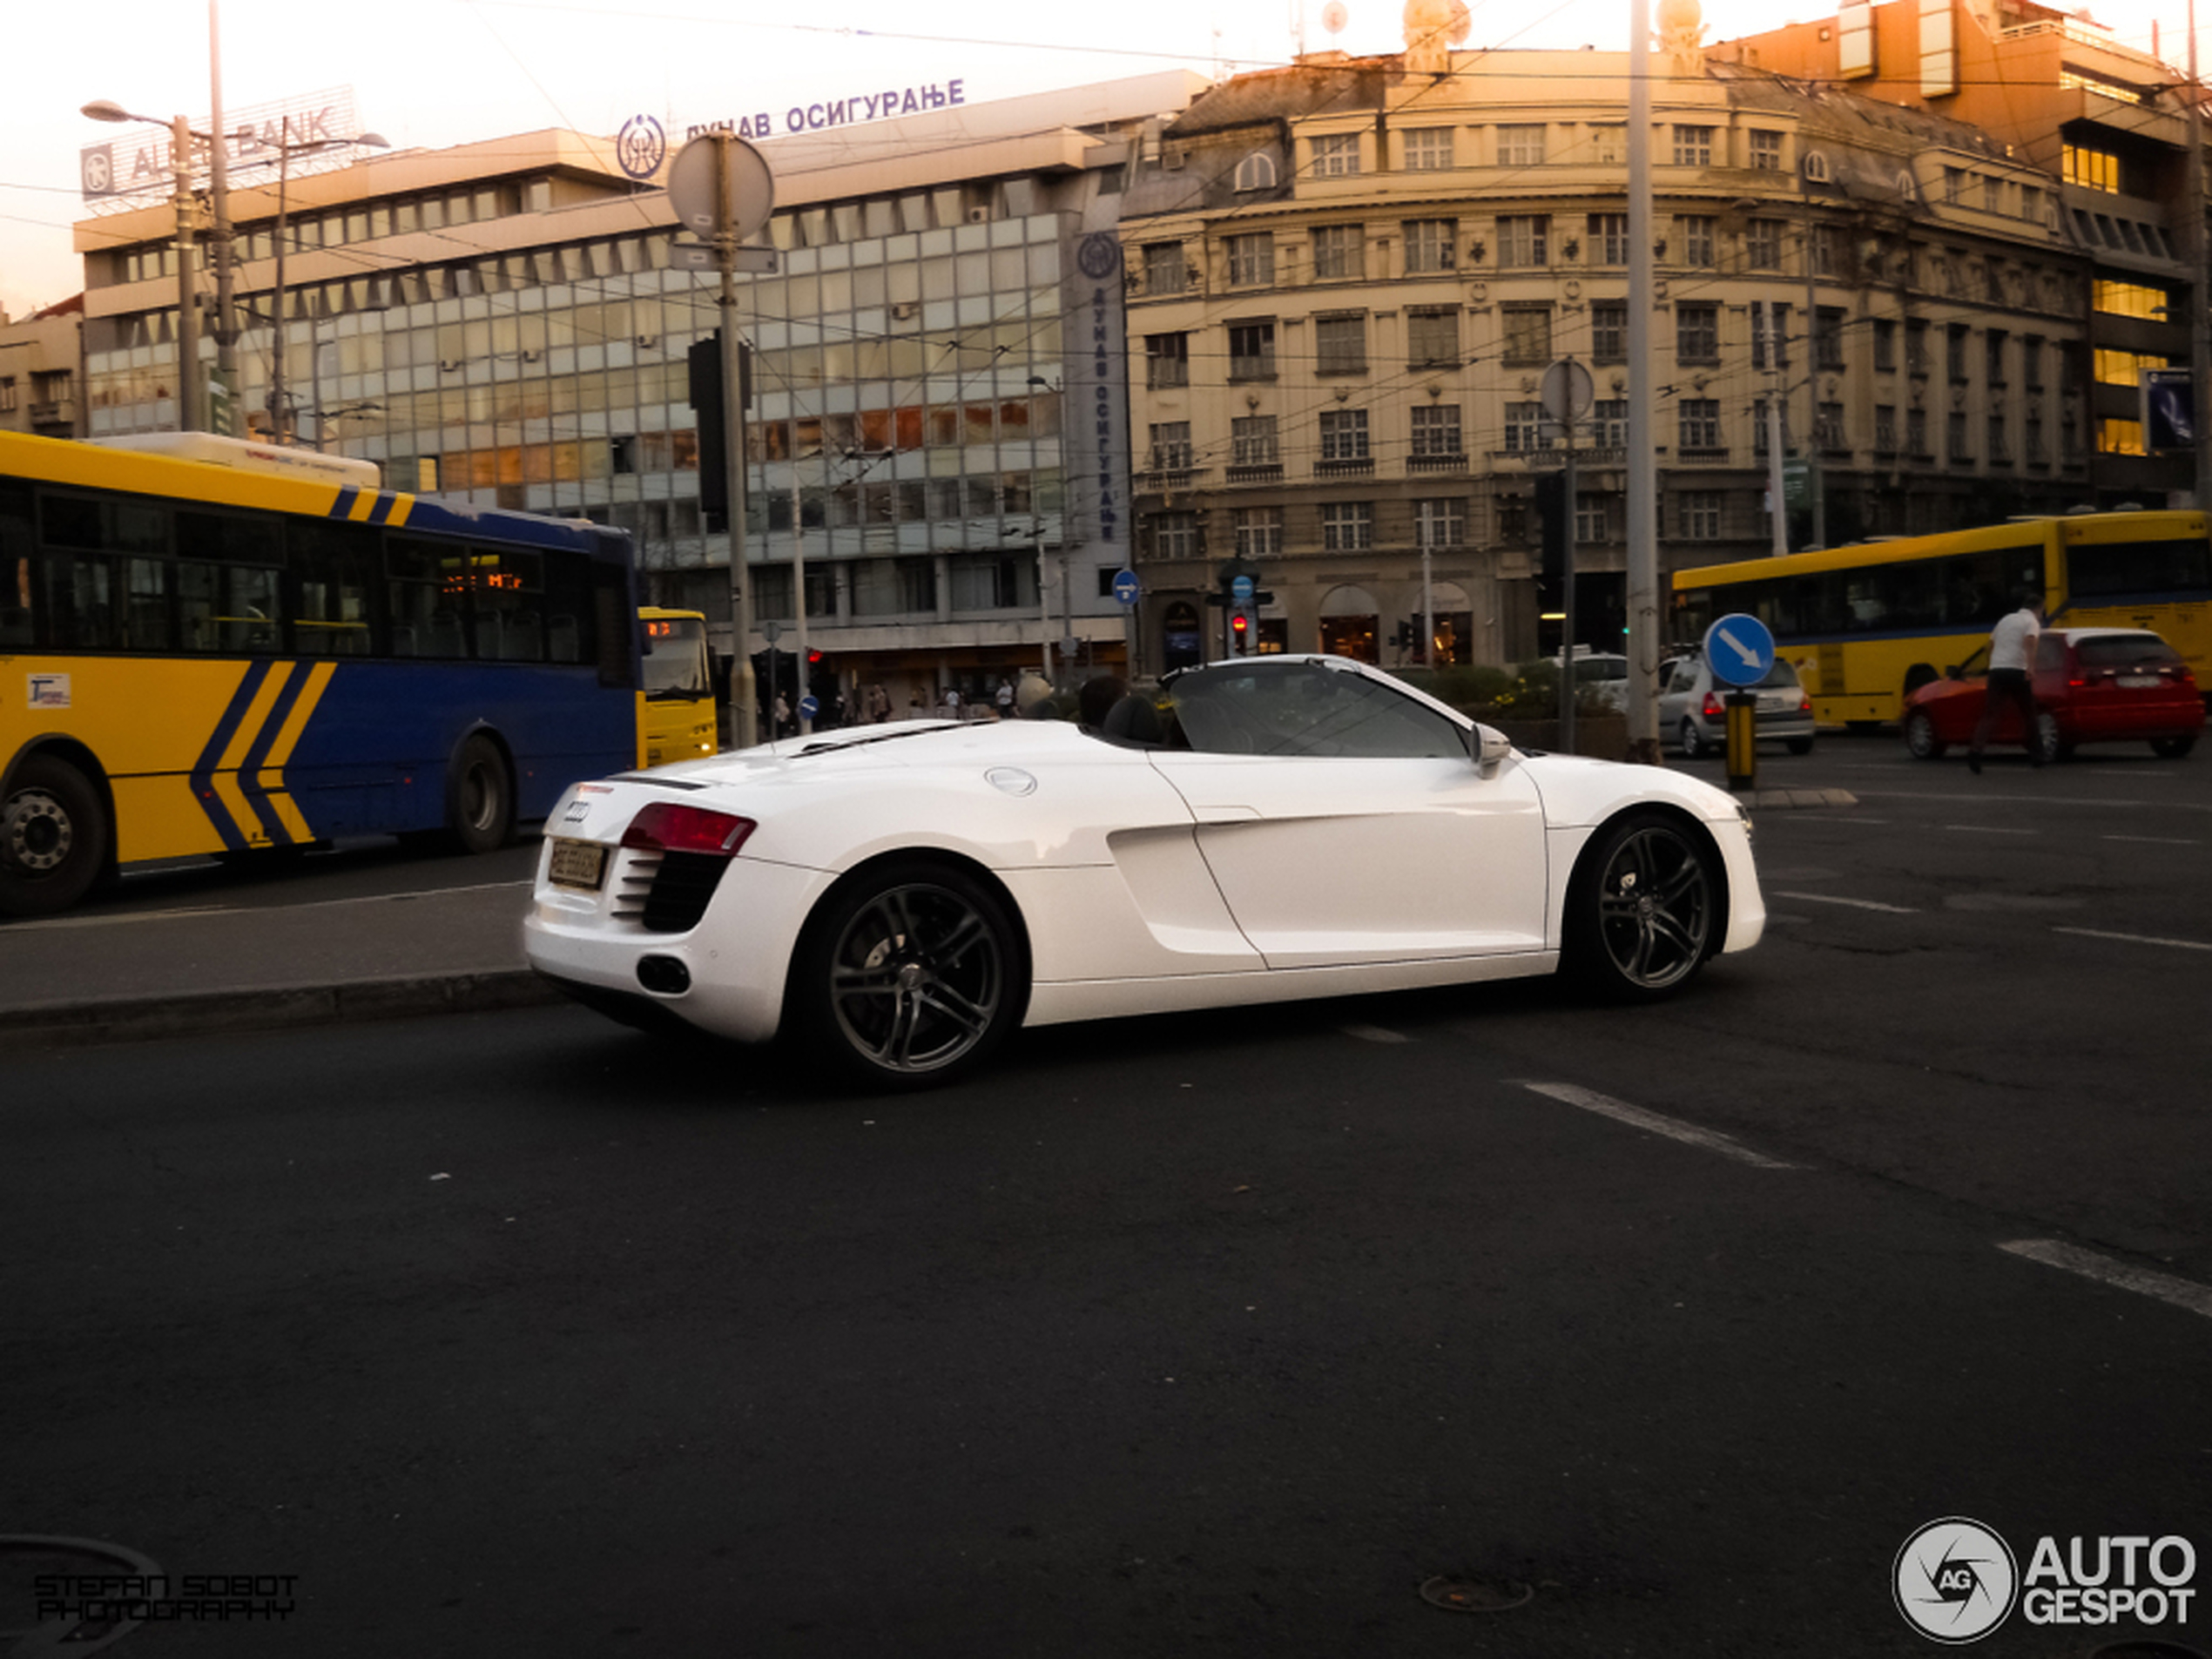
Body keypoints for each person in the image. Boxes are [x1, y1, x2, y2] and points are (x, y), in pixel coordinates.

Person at [1969, 591, 2044, 774]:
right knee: (2028, 713)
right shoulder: (2031, 622)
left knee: (1990, 714)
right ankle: (2037, 755)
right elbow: (2030, 640)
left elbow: (1991, 645)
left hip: (1997, 671)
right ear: (2038, 609)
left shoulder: (2005, 620)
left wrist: (1992, 665)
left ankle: (1975, 751)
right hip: (2016, 670)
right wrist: (2031, 667)